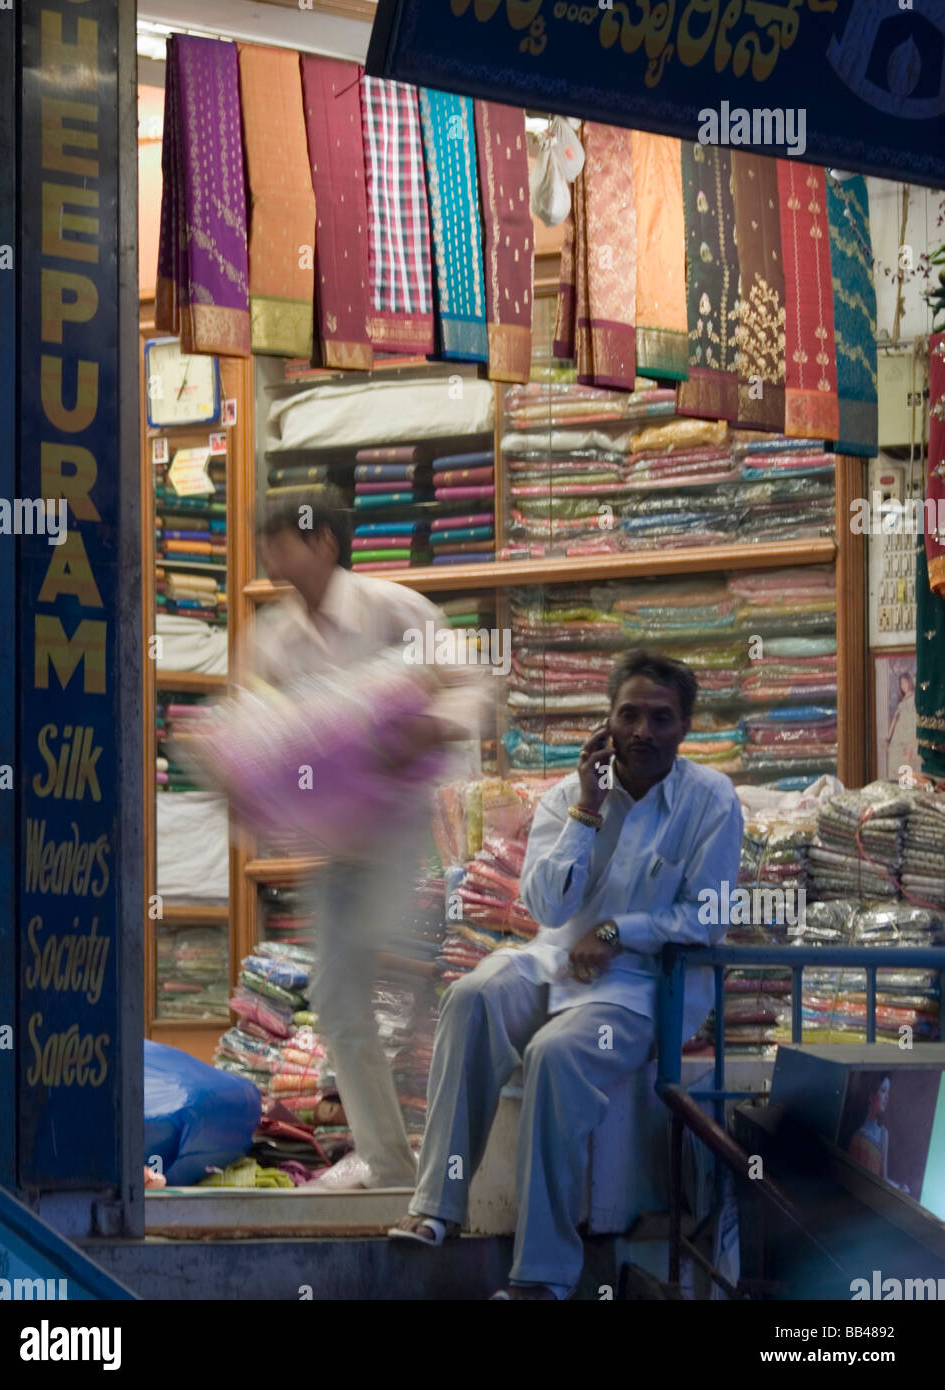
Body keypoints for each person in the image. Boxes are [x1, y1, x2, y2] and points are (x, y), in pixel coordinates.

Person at [389, 649, 744, 1298]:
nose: (642, 731)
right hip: (552, 965)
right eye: (628, 715)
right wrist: (587, 809)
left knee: (555, 1054)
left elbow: (707, 916)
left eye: (660, 718)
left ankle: (543, 1276)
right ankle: (437, 1204)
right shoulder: (566, 796)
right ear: (606, 722)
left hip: (644, 988)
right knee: (470, 996)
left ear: (684, 728)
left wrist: (617, 931)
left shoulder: (709, 800)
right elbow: (544, 907)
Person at [243, 488, 481, 1191]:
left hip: (421, 829)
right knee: (341, 998)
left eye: (281, 540)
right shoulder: (274, 640)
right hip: (343, 845)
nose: (271, 556)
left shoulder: (397, 611)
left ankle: (449, 1162)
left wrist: (426, 726)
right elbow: (265, 735)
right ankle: (390, 1167)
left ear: (323, 543)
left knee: (430, 992)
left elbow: (471, 688)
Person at [847, 1074, 908, 1191]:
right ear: (871, 1096)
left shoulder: (884, 1134)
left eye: (888, 1093)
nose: (886, 1097)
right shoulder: (857, 1136)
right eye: (883, 1091)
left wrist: (900, 1188)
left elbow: (883, 1178)